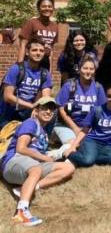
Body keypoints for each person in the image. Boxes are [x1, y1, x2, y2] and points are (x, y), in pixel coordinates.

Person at [1, 97, 75, 227]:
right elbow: (21, 148)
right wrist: (44, 158)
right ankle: (21, 212)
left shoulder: (44, 132)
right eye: (45, 108)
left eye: (51, 109)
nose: (48, 111)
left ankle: (26, 188)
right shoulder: (31, 123)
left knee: (68, 168)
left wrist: (56, 153)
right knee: (37, 169)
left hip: (32, 166)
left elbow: (38, 153)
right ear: (36, 110)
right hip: (13, 161)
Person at [65, 86, 111, 168]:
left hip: (110, 145)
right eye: (109, 96)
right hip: (93, 141)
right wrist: (73, 146)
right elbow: (85, 130)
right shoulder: (97, 110)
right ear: (106, 96)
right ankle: (65, 153)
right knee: (87, 161)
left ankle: (88, 156)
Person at [54, 56, 106, 149]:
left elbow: (102, 111)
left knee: (87, 146)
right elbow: (61, 108)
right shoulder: (69, 85)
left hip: (89, 128)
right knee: (73, 145)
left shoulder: (98, 88)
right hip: (68, 125)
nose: (88, 71)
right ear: (79, 69)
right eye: (85, 68)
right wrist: (75, 128)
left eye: (91, 69)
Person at [1, 38, 53, 127]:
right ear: (27, 52)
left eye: (41, 51)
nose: (38, 53)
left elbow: (46, 98)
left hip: (29, 112)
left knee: (51, 112)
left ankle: (43, 137)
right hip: (8, 111)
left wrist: (36, 108)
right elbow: (7, 96)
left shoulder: (45, 74)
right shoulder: (16, 69)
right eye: (34, 50)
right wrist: (31, 106)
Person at [18, 0, 58, 70]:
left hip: (45, 63)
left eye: (50, 6)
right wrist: (20, 66)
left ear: (53, 9)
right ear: (39, 8)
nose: (47, 8)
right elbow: (22, 45)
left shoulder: (55, 26)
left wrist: (50, 70)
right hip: (30, 61)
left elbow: (51, 50)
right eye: (44, 6)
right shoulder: (32, 23)